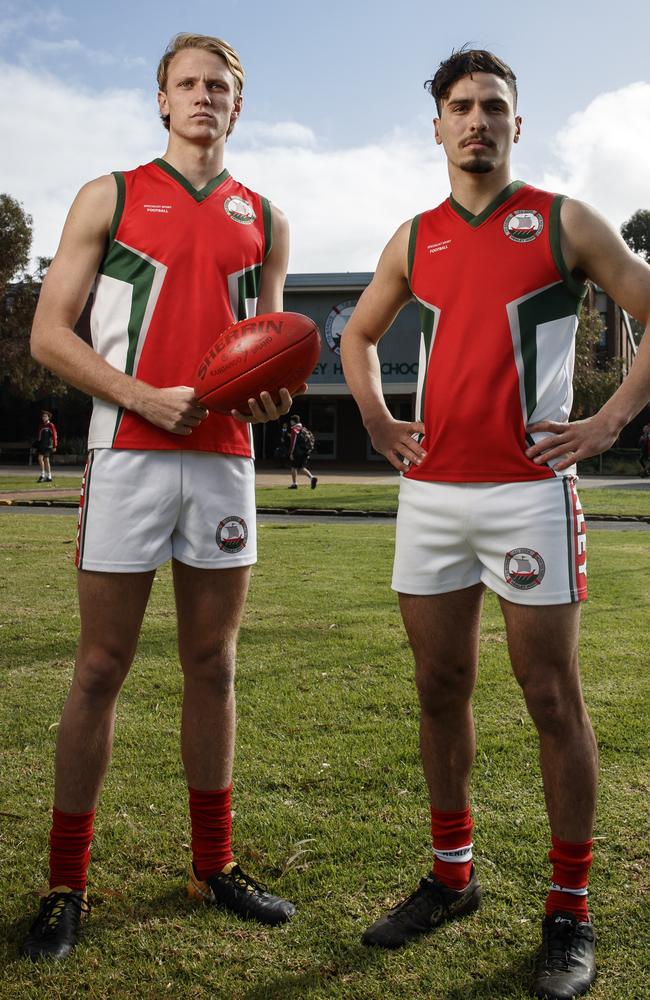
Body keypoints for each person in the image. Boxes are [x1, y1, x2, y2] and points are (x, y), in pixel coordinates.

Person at [341, 48, 650, 1000]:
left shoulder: (563, 221)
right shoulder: (413, 237)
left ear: (519, 123)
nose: (477, 121)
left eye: (494, 107)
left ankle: (568, 904)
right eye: (461, 107)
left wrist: (606, 423)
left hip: (529, 492)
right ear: (436, 125)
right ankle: (451, 874)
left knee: (551, 696)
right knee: (439, 687)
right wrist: (378, 417)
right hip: (432, 495)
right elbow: (353, 334)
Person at [21, 32, 303, 962]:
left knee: (213, 666)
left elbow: (267, 349)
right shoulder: (109, 192)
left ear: (237, 105)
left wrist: (271, 397)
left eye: (220, 86)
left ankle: (212, 864)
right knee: (100, 668)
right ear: (161, 100)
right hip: (129, 450)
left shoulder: (264, 213)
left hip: (224, 457)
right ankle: (67, 883)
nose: (204, 97)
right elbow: (49, 336)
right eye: (188, 84)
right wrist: (140, 393)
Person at [287, 414, 318, 489]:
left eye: (291, 421)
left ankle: (294, 484)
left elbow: (293, 442)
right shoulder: (303, 429)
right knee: (301, 468)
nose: (290, 422)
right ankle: (312, 478)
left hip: (297, 452)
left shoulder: (294, 430)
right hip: (305, 451)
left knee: (294, 467)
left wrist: (291, 453)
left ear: (293, 421)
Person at [36, 410, 57, 482]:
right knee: (45, 460)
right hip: (42, 446)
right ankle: (49, 476)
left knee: (41, 458)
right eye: (43, 416)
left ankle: (43, 475)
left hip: (48, 446)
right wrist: (38, 444)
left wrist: (54, 446)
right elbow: (39, 437)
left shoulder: (51, 425)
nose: (44, 417)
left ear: (48, 417)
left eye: (45, 416)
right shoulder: (41, 426)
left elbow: (54, 436)